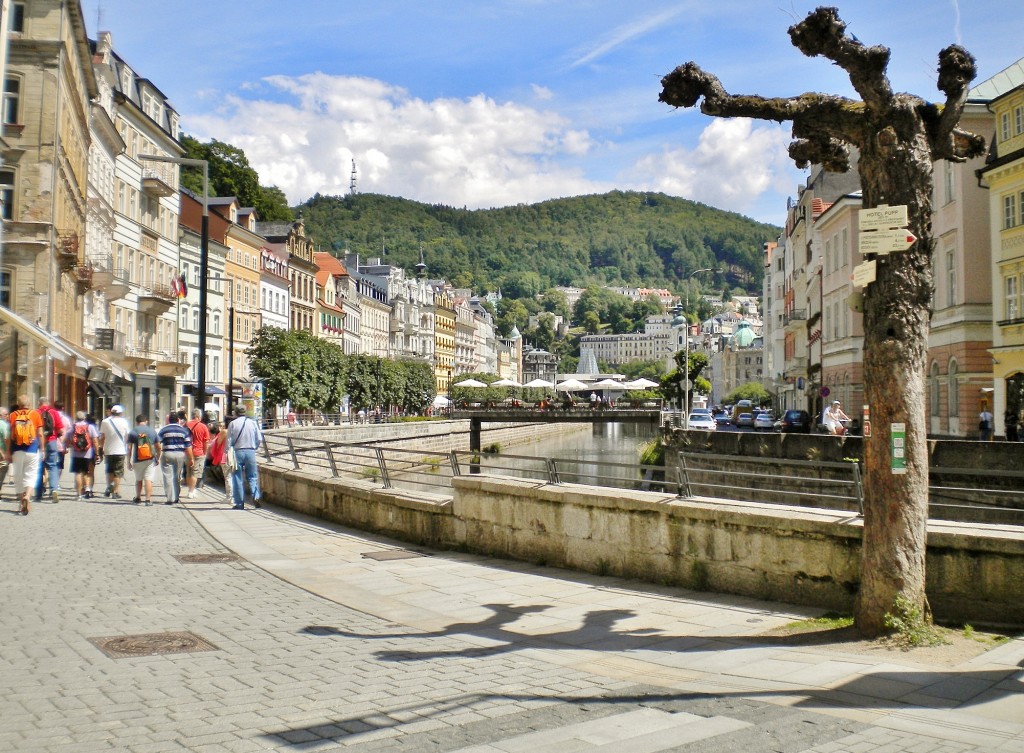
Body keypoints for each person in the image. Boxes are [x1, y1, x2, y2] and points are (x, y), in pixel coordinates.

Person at [7, 395, 44, 515]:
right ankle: (27, 496)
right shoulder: (35, 414)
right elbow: (40, 434)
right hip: (32, 449)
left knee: (18, 476)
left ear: (18, 404)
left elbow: (10, 436)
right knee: (31, 475)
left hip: (17, 449)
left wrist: (8, 452)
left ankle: (20, 502)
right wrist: (42, 449)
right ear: (29, 404)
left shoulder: (13, 415)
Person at [227, 404, 263, 510]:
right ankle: (256, 495)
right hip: (250, 451)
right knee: (252, 476)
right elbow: (259, 438)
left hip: (238, 452)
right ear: (245, 412)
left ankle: (239, 503)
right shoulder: (252, 423)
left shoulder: (233, 424)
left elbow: (228, 441)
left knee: (237, 477)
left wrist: (227, 452)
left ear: (236, 412)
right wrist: (255, 447)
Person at [157, 412, 193, 505]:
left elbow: (158, 443)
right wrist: (191, 459)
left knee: (167, 476)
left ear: (169, 420)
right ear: (178, 420)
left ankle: (170, 498)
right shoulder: (184, 430)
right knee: (177, 476)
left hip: (167, 453)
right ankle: (176, 497)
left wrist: (158, 455)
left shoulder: (163, 430)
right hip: (180, 454)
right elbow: (188, 446)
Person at [34, 398, 65, 504]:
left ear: (39, 403)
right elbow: (61, 429)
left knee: (39, 468)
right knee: (52, 466)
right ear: (48, 403)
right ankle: (54, 490)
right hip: (52, 441)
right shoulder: (54, 412)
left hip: (38, 443)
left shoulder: (35, 413)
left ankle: (38, 493)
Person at [97, 404, 131, 498]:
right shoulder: (124, 422)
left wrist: (101, 447)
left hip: (108, 450)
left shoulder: (105, 422)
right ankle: (115, 491)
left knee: (109, 470)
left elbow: (102, 437)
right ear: (120, 413)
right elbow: (127, 436)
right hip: (120, 450)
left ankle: (109, 486)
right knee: (118, 471)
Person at [126, 414, 159, 505]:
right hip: (150, 459)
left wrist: (128, 461)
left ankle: (138, 497)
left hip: (137, 459)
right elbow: (158, 446)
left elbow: (129, 448)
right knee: (148, 479)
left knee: (139, 479)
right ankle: (148, 500)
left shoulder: (133, 432)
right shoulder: (152, 431)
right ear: (146, 421)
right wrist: (158, 457)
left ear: (136, 422)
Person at [68, 411, 100, 500]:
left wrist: (71, 445)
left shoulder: (73, 427)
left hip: (76, 453)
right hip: (87, 453)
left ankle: (78, 494)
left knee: (78, 473)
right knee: (87, 473)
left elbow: (67, 438)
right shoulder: (90, 427)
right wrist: (97, 453)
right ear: (84, 418)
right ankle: (87, 489)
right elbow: (95, 441)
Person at [185, 408, 210, 499]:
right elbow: (206, 441)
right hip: (199, 452)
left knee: (189, 471)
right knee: (195, 473)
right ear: (199, 416)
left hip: (187, 451)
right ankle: (191, 491)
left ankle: (190, 489)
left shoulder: (186, 425)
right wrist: (205, 452)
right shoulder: (203, 427)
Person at [206, 422, 232, 502]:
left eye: (222, 425)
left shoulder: (224, 432)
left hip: (225, 456)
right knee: (233, 476)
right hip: (234, 455)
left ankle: (229, 496)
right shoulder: (234, 432)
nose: (221, 427)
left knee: (228, 476)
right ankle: (234, 497)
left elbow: (217, 444)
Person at [0, 406, 9, 498]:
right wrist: (7, 453)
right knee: (3, 469)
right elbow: (7, 439)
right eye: (5, 415)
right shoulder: (4, 425)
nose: (7, 416)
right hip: (2, 452)